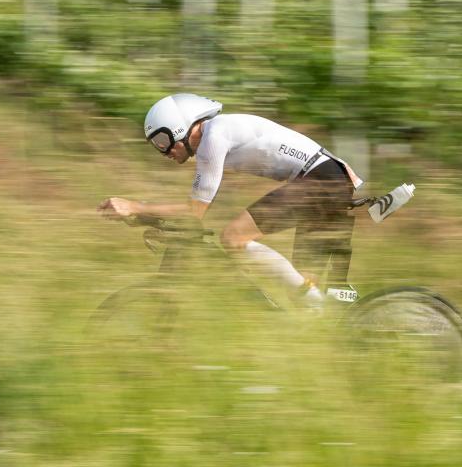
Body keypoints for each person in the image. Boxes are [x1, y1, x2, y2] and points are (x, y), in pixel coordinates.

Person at [98, 93, 364, 307]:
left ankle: (313, 308)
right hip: (329, 178)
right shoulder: (220, 134)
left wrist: (134, 206)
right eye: (155, 145)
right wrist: (144, 215)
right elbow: (204, 202)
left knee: (233, 237)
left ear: (182, 127)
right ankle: (327, 329)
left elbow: (193, 212)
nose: (163, 151)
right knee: (307, 291)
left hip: (322, 180)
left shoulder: (214, 137)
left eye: (163, 140)